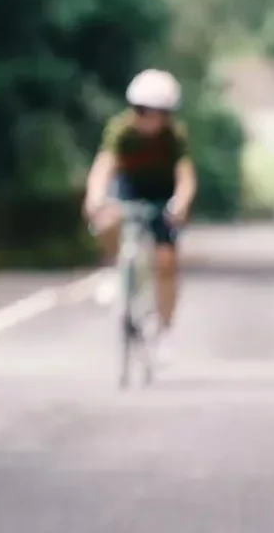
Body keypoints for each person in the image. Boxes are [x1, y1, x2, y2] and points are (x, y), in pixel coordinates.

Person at [82, 68, 197, 364]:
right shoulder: (121, 130)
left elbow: (185, 176)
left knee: (166, 263)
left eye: (159, 113)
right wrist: (95, 197)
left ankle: (165, 330)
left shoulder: (174, 137)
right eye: (144, 111)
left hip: (161, 194)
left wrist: (181, 203)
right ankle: (114, 268)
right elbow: (104, 165)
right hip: (129, 189)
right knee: (106, 221)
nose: (151, 119)